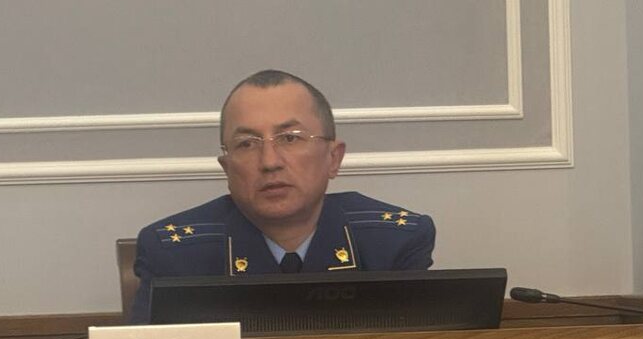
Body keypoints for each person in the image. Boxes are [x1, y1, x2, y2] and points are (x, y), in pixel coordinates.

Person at [129, 70, 435, 323]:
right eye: (247, 143)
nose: (269, 162)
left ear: (333, 158)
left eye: (290, 138)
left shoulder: (394, 244)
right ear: (227, 168)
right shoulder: (174, 256)